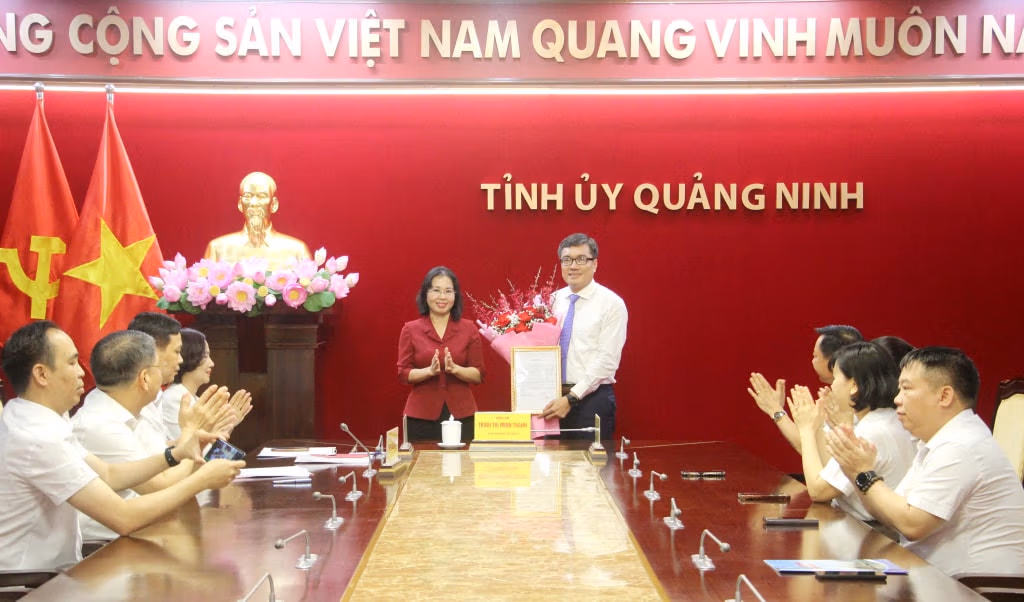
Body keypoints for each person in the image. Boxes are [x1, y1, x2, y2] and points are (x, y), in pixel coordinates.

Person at [0, 321, 243, 571]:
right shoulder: (37, 437)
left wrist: (176, 453)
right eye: (72, 363)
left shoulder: (38, 418)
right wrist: (201, 479)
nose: (82, 372)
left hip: (61, 571)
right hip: (31, 582)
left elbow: (109, 474)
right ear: (41, 374)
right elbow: (123, 516)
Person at [827, 346, 1024, 576]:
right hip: (935, 575)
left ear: (944, 396)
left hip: (975, 586)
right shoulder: (938, 441)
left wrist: (864, 473)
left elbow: (913, 525)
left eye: (907, 388)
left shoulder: (960, 445)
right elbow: (889, 513)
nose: (897, 399)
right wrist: (855, 472)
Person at [72, 330, 236, 541]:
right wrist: (191, 437)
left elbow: (165, 460)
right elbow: (161, 484)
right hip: (111, 544)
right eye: (158, 367)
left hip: (150, 528)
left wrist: (191, 441)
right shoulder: (101, 424)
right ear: (145, 378)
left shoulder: (137, 409)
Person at [788, 342, 915, 521]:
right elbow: (829, 471)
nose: (832, 386)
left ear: (854, 385)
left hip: (870, 530)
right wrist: (816, 427)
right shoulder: (885, 418)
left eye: (835, 378)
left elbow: (818, 491)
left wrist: (806, 430)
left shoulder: (872, 430)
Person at [540, 233, 627, 440]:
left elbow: (607, 361)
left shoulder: (611, 304)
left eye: (581, 259)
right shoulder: (550, 301)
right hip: (551, 400)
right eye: (567, 260)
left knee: (591, 461)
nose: (573, 266)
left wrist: (571, 398)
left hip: (591, 400)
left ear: (594, 264)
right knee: (550, 459)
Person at [397, 266, 484, 442]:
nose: (442, 297)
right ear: (425, 294)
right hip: (421, 417)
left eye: (448, 291)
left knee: (463, 460)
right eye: (436, 290)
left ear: (455, 296)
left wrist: (456, 369)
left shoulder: (469, 329)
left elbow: (478, 374)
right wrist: (429, 371)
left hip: (463, 415)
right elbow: (403, 373)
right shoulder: (410, 330)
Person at [749, 324, 863, 453]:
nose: (812, 361)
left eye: (815, 356)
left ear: (832, 360)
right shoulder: (841, 395)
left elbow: (814, 451)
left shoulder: (852, 402)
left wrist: (775, 410)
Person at [203, 171, 312, 269]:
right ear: (240, 204)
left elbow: (308, 283)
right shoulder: (218, 248)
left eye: (261, 196)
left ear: (274, 204)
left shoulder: (297, 250)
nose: (254, 203)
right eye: (247, 196)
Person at [162, 328, 252, 441]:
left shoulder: (194, 398)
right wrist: (225, 426)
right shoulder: (173, 399)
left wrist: (228, 424)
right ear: (188, 356)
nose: (212, 363)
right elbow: (189, 448)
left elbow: (212, 448)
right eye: (205, 356)